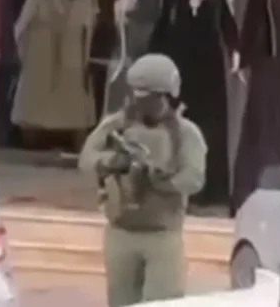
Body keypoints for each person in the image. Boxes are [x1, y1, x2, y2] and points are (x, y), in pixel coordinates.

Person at [78, 53, 207, 307]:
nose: (142, 105)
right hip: (121, 230)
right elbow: (86, 160)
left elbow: (194, 178)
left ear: (167, 96)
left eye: (151, 99)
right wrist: (113, 162)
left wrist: (161, 181)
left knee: (164, 301)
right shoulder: (116, 126)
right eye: (138, 97)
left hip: (162, 235)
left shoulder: (186, 133)